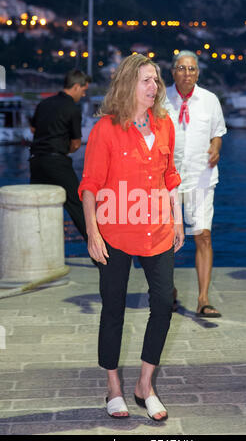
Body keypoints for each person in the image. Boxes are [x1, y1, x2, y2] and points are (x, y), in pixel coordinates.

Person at [78, 54, 184, 420]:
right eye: (146, 81)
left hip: (158, 229)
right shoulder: (105, 129)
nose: (154, 87)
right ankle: (113, 388)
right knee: (114, 309)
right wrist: (93, 232)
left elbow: (170, 176)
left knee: (163, 304)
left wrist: (179, 220)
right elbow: (90, 185)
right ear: (128, 84)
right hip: (114, 231)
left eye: (156, 80)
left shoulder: (165, 124)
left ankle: (145, 385)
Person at [165, 50, 226, 318]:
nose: (186, 73)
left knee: (203, 235)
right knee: (165, 241)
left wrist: (216, 148)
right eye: (181, 68)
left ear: (198, 73)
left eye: (191, 69)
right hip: (166, 181)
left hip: (201, 177)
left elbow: (218, 134)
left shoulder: (210, 100)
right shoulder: (159, 98)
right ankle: (169, 292)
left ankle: (203, 299)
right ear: (173, 72)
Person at [29, 69, 91, 241]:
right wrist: (65, 149)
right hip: (57, 162)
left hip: (35, 162)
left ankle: (35, 249)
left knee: (37, 207)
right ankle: (100, 257)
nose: (84, 94)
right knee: (76, 205)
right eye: (84, 90)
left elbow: (33, 129)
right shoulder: (72, 108)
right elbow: (76, 143)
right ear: (76, 86)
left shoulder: (44, 104)